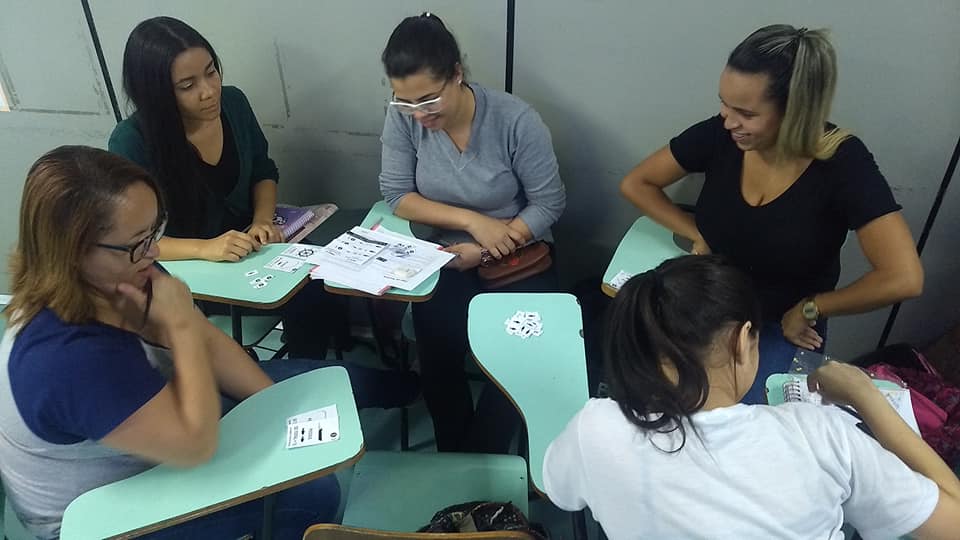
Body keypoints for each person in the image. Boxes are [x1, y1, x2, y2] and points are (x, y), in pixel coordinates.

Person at [0, 146, 339, 539]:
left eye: (154, 231)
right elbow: (195, 444)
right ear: (74, 251)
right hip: (96, 517)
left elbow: (209, 344)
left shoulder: (126, 268)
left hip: (154, 429)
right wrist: (180, 326)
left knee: (316, 391)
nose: (155, 251)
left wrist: (277, 410)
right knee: (312, 494)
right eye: (139, 242)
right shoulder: (68, 356)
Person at [543, 255, 960, 539]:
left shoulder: (594, 429)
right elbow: (953, 523)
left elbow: (559, 491)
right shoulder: (825, 436)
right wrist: (865, 394)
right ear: (742, 341)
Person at [619, 25, 923, 404]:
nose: (728, 121)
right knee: (649, 395)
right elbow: (637, 183)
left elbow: (904, 278)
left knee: (745, 425)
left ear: (795, 111)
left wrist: (813, 307)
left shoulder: (843, 163)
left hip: (783, 325)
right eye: (724, 104)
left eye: (746, 113)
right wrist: (695, 230)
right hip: (710, 308)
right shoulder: (722, 135)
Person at [378, 13, 566, 452]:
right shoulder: (404, 118)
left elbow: (549, 203)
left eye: (429, 100)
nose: (418, 114)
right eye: (404, 102)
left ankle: (484, 461)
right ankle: (455, 456)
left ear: (457, 75)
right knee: (437, 348)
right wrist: (471, 221)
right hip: (444, 256)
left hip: (517, 254)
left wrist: (483, 249)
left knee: (519, 356)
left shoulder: (515, 120)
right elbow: (397, 194)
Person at [108, 16, 346, 359]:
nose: (209, 91)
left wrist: (263, 219)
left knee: (320, 280)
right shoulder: (132, 141)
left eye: (211, 72)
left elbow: (263, 170)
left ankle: (306, 371)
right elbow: (132, 243)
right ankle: (286, 376)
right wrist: (206, 248)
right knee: (304, 298)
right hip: (190, 270)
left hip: (252, 250)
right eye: (187, 85)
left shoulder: (233, 103)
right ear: (156, 92)